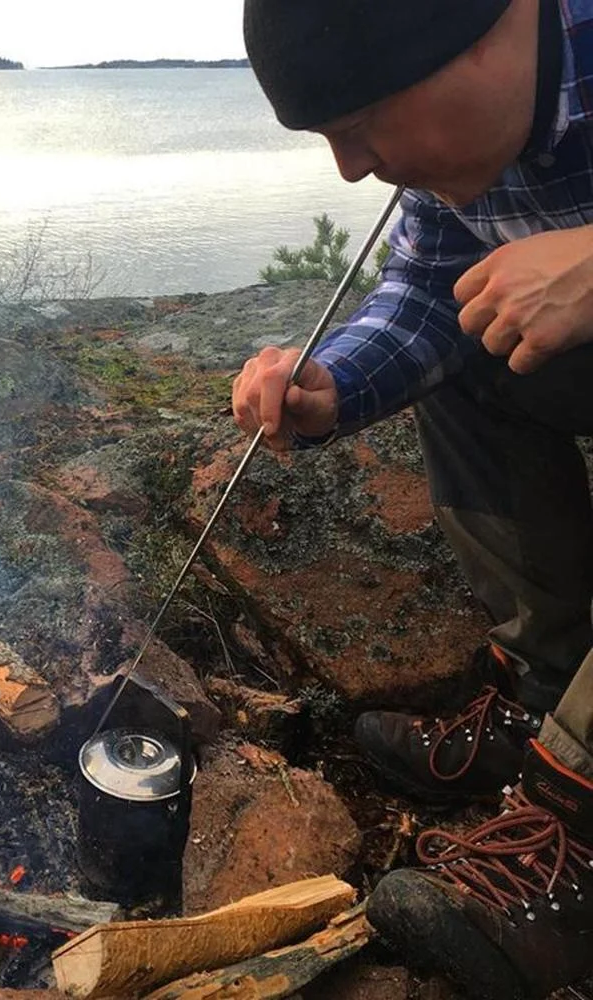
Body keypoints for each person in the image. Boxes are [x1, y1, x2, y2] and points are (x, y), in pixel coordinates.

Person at [234, 1, 593, 996]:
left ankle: (580, 834)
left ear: (488, 28)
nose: (349, 169)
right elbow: (432, 283)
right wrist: (333, 385)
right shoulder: (463, 144)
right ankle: (545, 700)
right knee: (475, 347)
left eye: (360, 122)